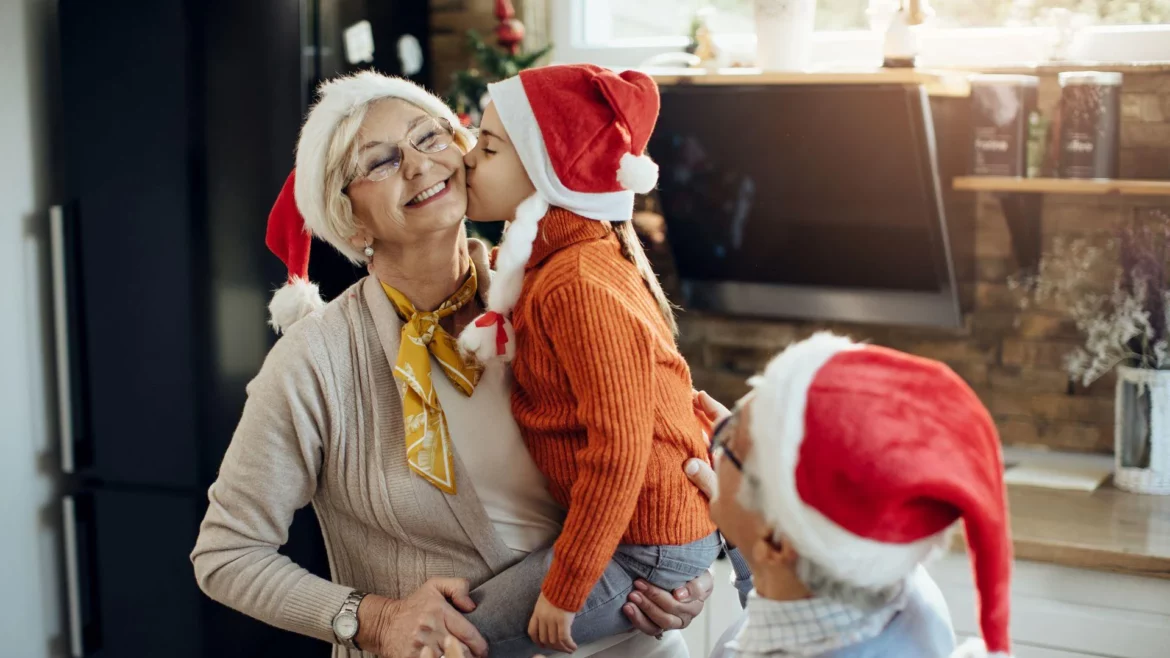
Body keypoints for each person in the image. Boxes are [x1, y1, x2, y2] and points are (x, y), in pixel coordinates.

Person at [190, 70, 713, 658]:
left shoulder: (555, 291)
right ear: (351, 220)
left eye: (429, 137)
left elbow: (652, 451)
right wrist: (372, 619)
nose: (418, 165)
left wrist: (683, 573)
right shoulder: (315, 360)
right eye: (381, 161)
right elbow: (226, 555)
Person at [453, 64, 721, 656]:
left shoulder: (575, 282)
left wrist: (566, 588)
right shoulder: (552, 260)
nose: (468, 157)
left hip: (642, 539)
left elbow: (621, 447)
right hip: (633, 529)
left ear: (546, 172)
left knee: (459, 639)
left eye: (490, 146)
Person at [698, 332, 1014, 658]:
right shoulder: (892, 587)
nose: (716, 445)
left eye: (729, 441)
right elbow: (789, 595)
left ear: (777, 542)